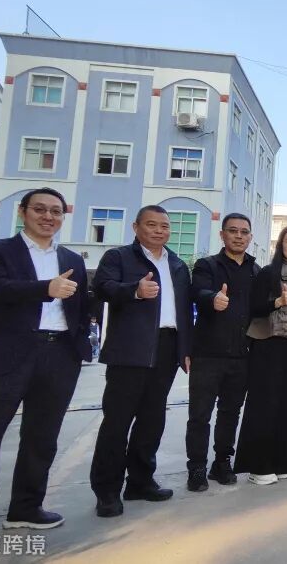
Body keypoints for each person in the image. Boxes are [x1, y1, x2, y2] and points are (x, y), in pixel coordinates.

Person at [0, 188, 90, 557]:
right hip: (5, 356)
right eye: (40, 209)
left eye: (56, 211)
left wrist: (80, 343)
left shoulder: (71, 258)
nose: (48, 216)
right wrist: (47, 288)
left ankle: (26, 507)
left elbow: (81, 305)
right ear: (23, 212)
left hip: (59, 355)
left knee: (42, 438)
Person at [90, 205, 192, 518]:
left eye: (164, 226)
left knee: (152, 420)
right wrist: (134, 290)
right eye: (152, 224)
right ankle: (107, 491)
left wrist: (185, 349)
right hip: (130, 349)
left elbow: (183, 311)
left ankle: (140, 481)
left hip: (167, 347)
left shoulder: (177, 264)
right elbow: (102, 288)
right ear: (136, 227)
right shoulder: (119, 257)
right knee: (117, 422)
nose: (159, 230)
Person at [185, 213, 259, 492]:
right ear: (222, 234)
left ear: (250, 237)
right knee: (200, 415)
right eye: (233, 231)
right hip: (208, 353)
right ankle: (196, 467)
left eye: (244, 232)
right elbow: (197, 292)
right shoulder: (207, 265)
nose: (239, 236)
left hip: (242, 355)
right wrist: (212, 298)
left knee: (230, 412)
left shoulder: (255, 270)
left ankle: (222, 462)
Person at [235, 226, 287, 485]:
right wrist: (277, 302)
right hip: (268, 343)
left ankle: (283, 462)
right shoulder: (268, 273)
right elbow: (253, 308)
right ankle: (259, 466)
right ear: (280, 245)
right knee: (264, 404)